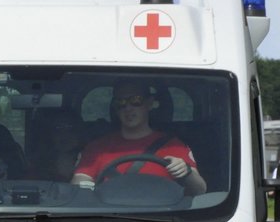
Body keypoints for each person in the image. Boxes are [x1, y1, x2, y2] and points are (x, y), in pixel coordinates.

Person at [71, 81, 205, 196]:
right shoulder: (97, 148)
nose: (128, 108)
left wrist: (186, 172)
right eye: (121, 103)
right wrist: (82, 186)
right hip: (108, 219)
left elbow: (200, 190)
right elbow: (81, 179)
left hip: (163, 219)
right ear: (115, 109)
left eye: (136, 100)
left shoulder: (174, 146)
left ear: (150, 103)